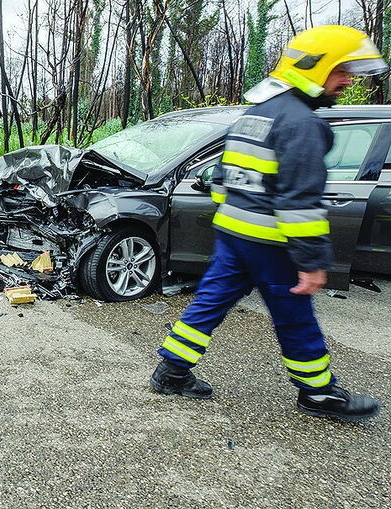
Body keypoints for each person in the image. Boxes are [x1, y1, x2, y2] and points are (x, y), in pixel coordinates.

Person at [150, 25, 386, 422]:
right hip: (272, 244)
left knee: (209, 303)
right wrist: (311, 261)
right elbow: (299, 200)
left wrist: (235, 222)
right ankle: (318, 394)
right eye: (341, 71)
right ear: (316, 68)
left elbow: (223, 179)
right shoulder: (303, 125)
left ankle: (171, 370)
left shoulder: (255, 114)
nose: (347, 80)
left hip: (234, 235)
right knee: (296, 318)